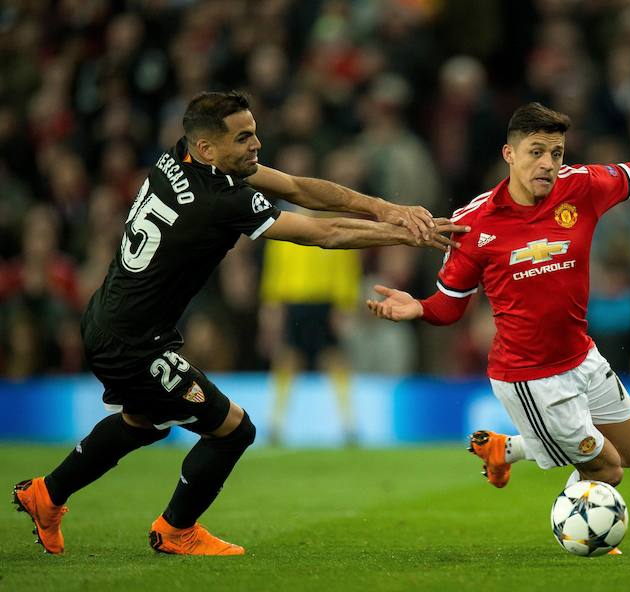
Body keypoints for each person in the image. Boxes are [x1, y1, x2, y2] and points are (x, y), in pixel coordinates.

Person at [12, 91, 468, 556]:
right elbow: (324, 233)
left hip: (106, 320)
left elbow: (296, 188)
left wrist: (387, 210)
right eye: (244, 137)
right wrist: (409, 233)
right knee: (233, 429)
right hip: (133, 345)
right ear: (209, 147)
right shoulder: (219, 200)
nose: (257, 144)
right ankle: (175, 530)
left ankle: (46, 496)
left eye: (255, 132)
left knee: (143, 422)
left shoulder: (180, 156)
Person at [367, 102, 630, 497]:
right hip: (530, 378)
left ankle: (505, 449)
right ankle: (577, 531)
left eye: (556, 152)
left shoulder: (582, 186)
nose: (548, 163)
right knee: (608, 470)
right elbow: (450, 306)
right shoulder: (473, 223)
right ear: (509, 154)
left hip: (582, 358)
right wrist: (420, 307)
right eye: (536, 151)